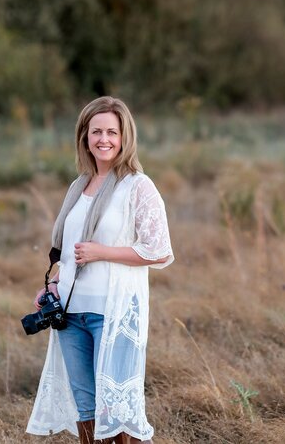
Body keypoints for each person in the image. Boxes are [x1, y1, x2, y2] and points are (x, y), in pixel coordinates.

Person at [26, 96, 174, 444]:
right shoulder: (78, 186)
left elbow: (159, 250)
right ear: (84, 136)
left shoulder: (137, 186)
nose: (103, 139)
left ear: (125, 137)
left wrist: (102, 252)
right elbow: (69, 251)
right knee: (86, 409)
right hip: (70, 314)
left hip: (112, 312)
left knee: (117, 409)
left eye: (112, 131)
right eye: (96, 132)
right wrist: (53, 285)